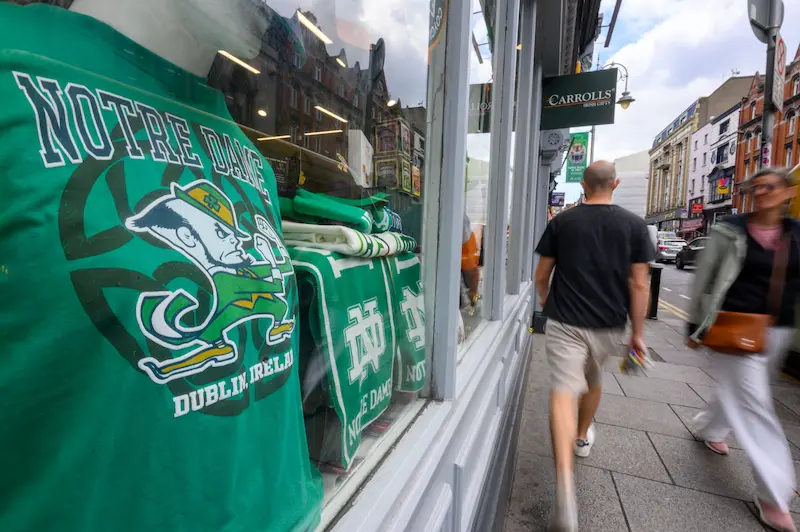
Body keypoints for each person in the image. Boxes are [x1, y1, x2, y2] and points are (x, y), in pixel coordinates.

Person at [534, 161, 653, 531]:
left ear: (583, 184)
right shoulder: (635, 226)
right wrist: (637, 334)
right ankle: (582, 436)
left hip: (565, 320)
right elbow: (639, 285)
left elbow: (542, 275)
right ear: (615, 184)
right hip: (609, 323)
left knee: (563, 390)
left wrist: (546, 304)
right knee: (594, 377)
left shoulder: (563, 222)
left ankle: (565, 489)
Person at [688, 168, 800, 532]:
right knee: (755, 405)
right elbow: (705, 275)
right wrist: (695, 324)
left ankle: (710, 429)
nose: (761, 193)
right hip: (734, 326)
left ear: (787, 193)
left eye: (770, 187)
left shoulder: (796, 233)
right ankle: (773, 495)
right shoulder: (730, 229)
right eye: (756, 188)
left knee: (742, 392)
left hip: (778, 328)